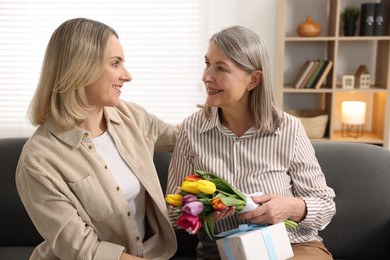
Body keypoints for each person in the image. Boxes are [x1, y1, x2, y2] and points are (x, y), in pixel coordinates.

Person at [166, 26, 336, 260]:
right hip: (224, 252)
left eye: (221, 68)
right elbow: (173, 212)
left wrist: (291, 207)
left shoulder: (289, 128)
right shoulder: (191, 130)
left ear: (253, 79)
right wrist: (201, 211)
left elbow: (325, 206)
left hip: (293, 247)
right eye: (207, 64)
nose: (206, 76)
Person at [16, 18, 179, 260]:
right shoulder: (37, 161)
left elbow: (188, 138)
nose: (127, 75)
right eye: (116, 63)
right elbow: (84, 251)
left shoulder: (131, 116)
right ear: (81, 68)